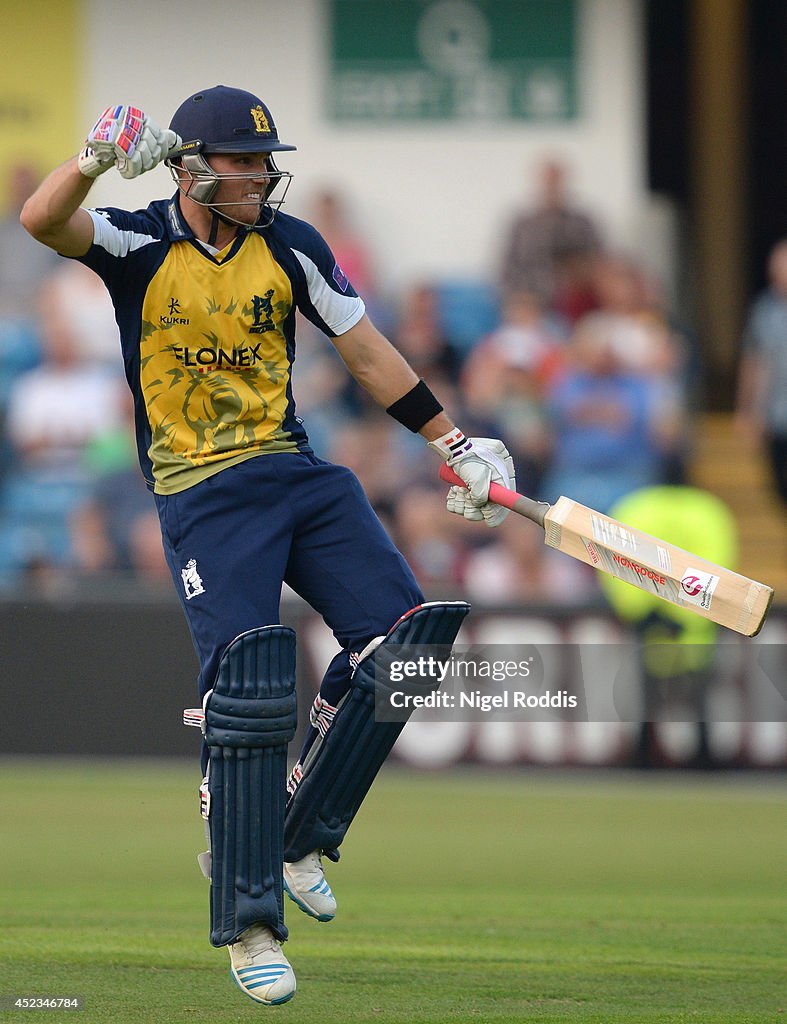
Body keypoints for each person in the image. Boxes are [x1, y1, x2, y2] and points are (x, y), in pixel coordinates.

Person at [21, 86, 515, 1006]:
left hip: (295, 470)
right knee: (247, 691)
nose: (259, 178)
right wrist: (91, 158)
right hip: (200, 492)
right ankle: (250, 923)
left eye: (263, 162)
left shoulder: (290, 245)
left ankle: (297, 836)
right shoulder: (137, 241)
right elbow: (42, 219)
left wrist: (452, 441)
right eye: (244, 163)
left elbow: (365, 350)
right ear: (193, 167)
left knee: (406, 639)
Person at [736, 239, 787, 504]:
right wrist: (748, 411)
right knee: (779, 487)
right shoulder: (765, 311)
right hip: (776, 416)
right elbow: (755, 362)